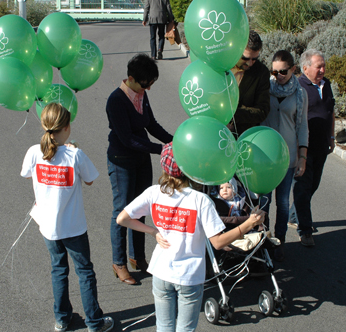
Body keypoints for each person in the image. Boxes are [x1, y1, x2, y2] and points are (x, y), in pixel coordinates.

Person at [117, 143, 266, 332]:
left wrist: (153, 231)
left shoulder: (154, 192)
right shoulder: (201, 200)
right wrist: (249, 224)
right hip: (189, 275)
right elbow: (218, 242)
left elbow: (122, 218)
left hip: (161, 271)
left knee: (163, 326)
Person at [20, 103, 114, 332]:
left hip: (48, 227)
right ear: (66, 127)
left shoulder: (34, 152)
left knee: (58, 270)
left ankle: (62, 319)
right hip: (73, 227)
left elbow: (26, 174)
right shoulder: (74, 154)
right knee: (84, 272)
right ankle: (94, 322)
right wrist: (71, 151)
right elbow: (90, 180)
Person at [106, 53, 173, 285]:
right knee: (122, 211)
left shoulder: (142, 96)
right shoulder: (116, 100)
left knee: (141, 208)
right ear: (132, 78)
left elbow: (151, 124)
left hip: (141, 159)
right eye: (146, 84)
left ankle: (138, 257)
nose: (149, 89)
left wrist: (173, 142)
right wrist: (162, 150)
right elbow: (126, 139)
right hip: (121, 160)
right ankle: (119, 262)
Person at [261, 50, 308, 261]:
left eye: (282, 72)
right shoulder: (266, 89)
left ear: (293, 69)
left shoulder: (300, 93)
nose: (278, 76)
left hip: (287, 156)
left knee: (283, 202)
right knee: (263, 201)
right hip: (264, 156)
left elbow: (303, 127)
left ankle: (279, 240)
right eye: (274, 71)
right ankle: (262, 239)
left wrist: (302, 157)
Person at [291, 49, 335, 247]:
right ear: (305, 67)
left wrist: (332, 137)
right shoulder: (298, 87)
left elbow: (330, 111)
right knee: (303, 187)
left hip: (322, 146)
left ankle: (294, 215)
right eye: (319, 66)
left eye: (324, 66)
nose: (323, 70)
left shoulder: (327, 85)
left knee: (313, 186)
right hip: (304, 149)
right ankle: (305, 230)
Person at [228, 30, 271, 136]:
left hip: (244, 136)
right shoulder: (221, 66)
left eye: (255, 59)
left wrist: (232, 116)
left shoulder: (261, 72)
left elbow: (262, 111)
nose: (250, 63)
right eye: (245, 58)